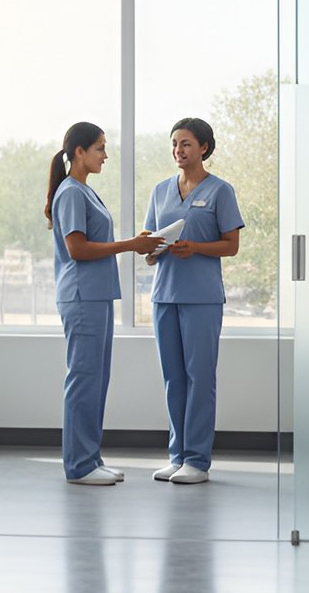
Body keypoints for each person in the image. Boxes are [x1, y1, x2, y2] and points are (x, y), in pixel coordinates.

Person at [47, 122, 157, 487]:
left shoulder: (85, 192)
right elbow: (78, 249)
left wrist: (134, 241)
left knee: (97, 380)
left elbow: (94, 241)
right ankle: (78, 465)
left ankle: (90, 457)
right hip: (81, 296)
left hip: (96, 295)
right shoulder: (70, 193)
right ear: (79, 151)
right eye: (100, 148)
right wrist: (130, 245)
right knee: (83, 380)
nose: (105, 156)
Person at [143, 117, 243, 485]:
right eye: (174, 143)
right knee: (173, 378)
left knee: (199, 377)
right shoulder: (160, 191)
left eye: (185, 144)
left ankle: (198, 460)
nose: (178, 150)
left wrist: (196, 248)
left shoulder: (220, 191)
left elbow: (231, 245)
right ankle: (177, 454)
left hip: (202, 297)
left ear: (203, 147)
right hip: (164, 295)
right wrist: (150, 248)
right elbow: (150, 241)